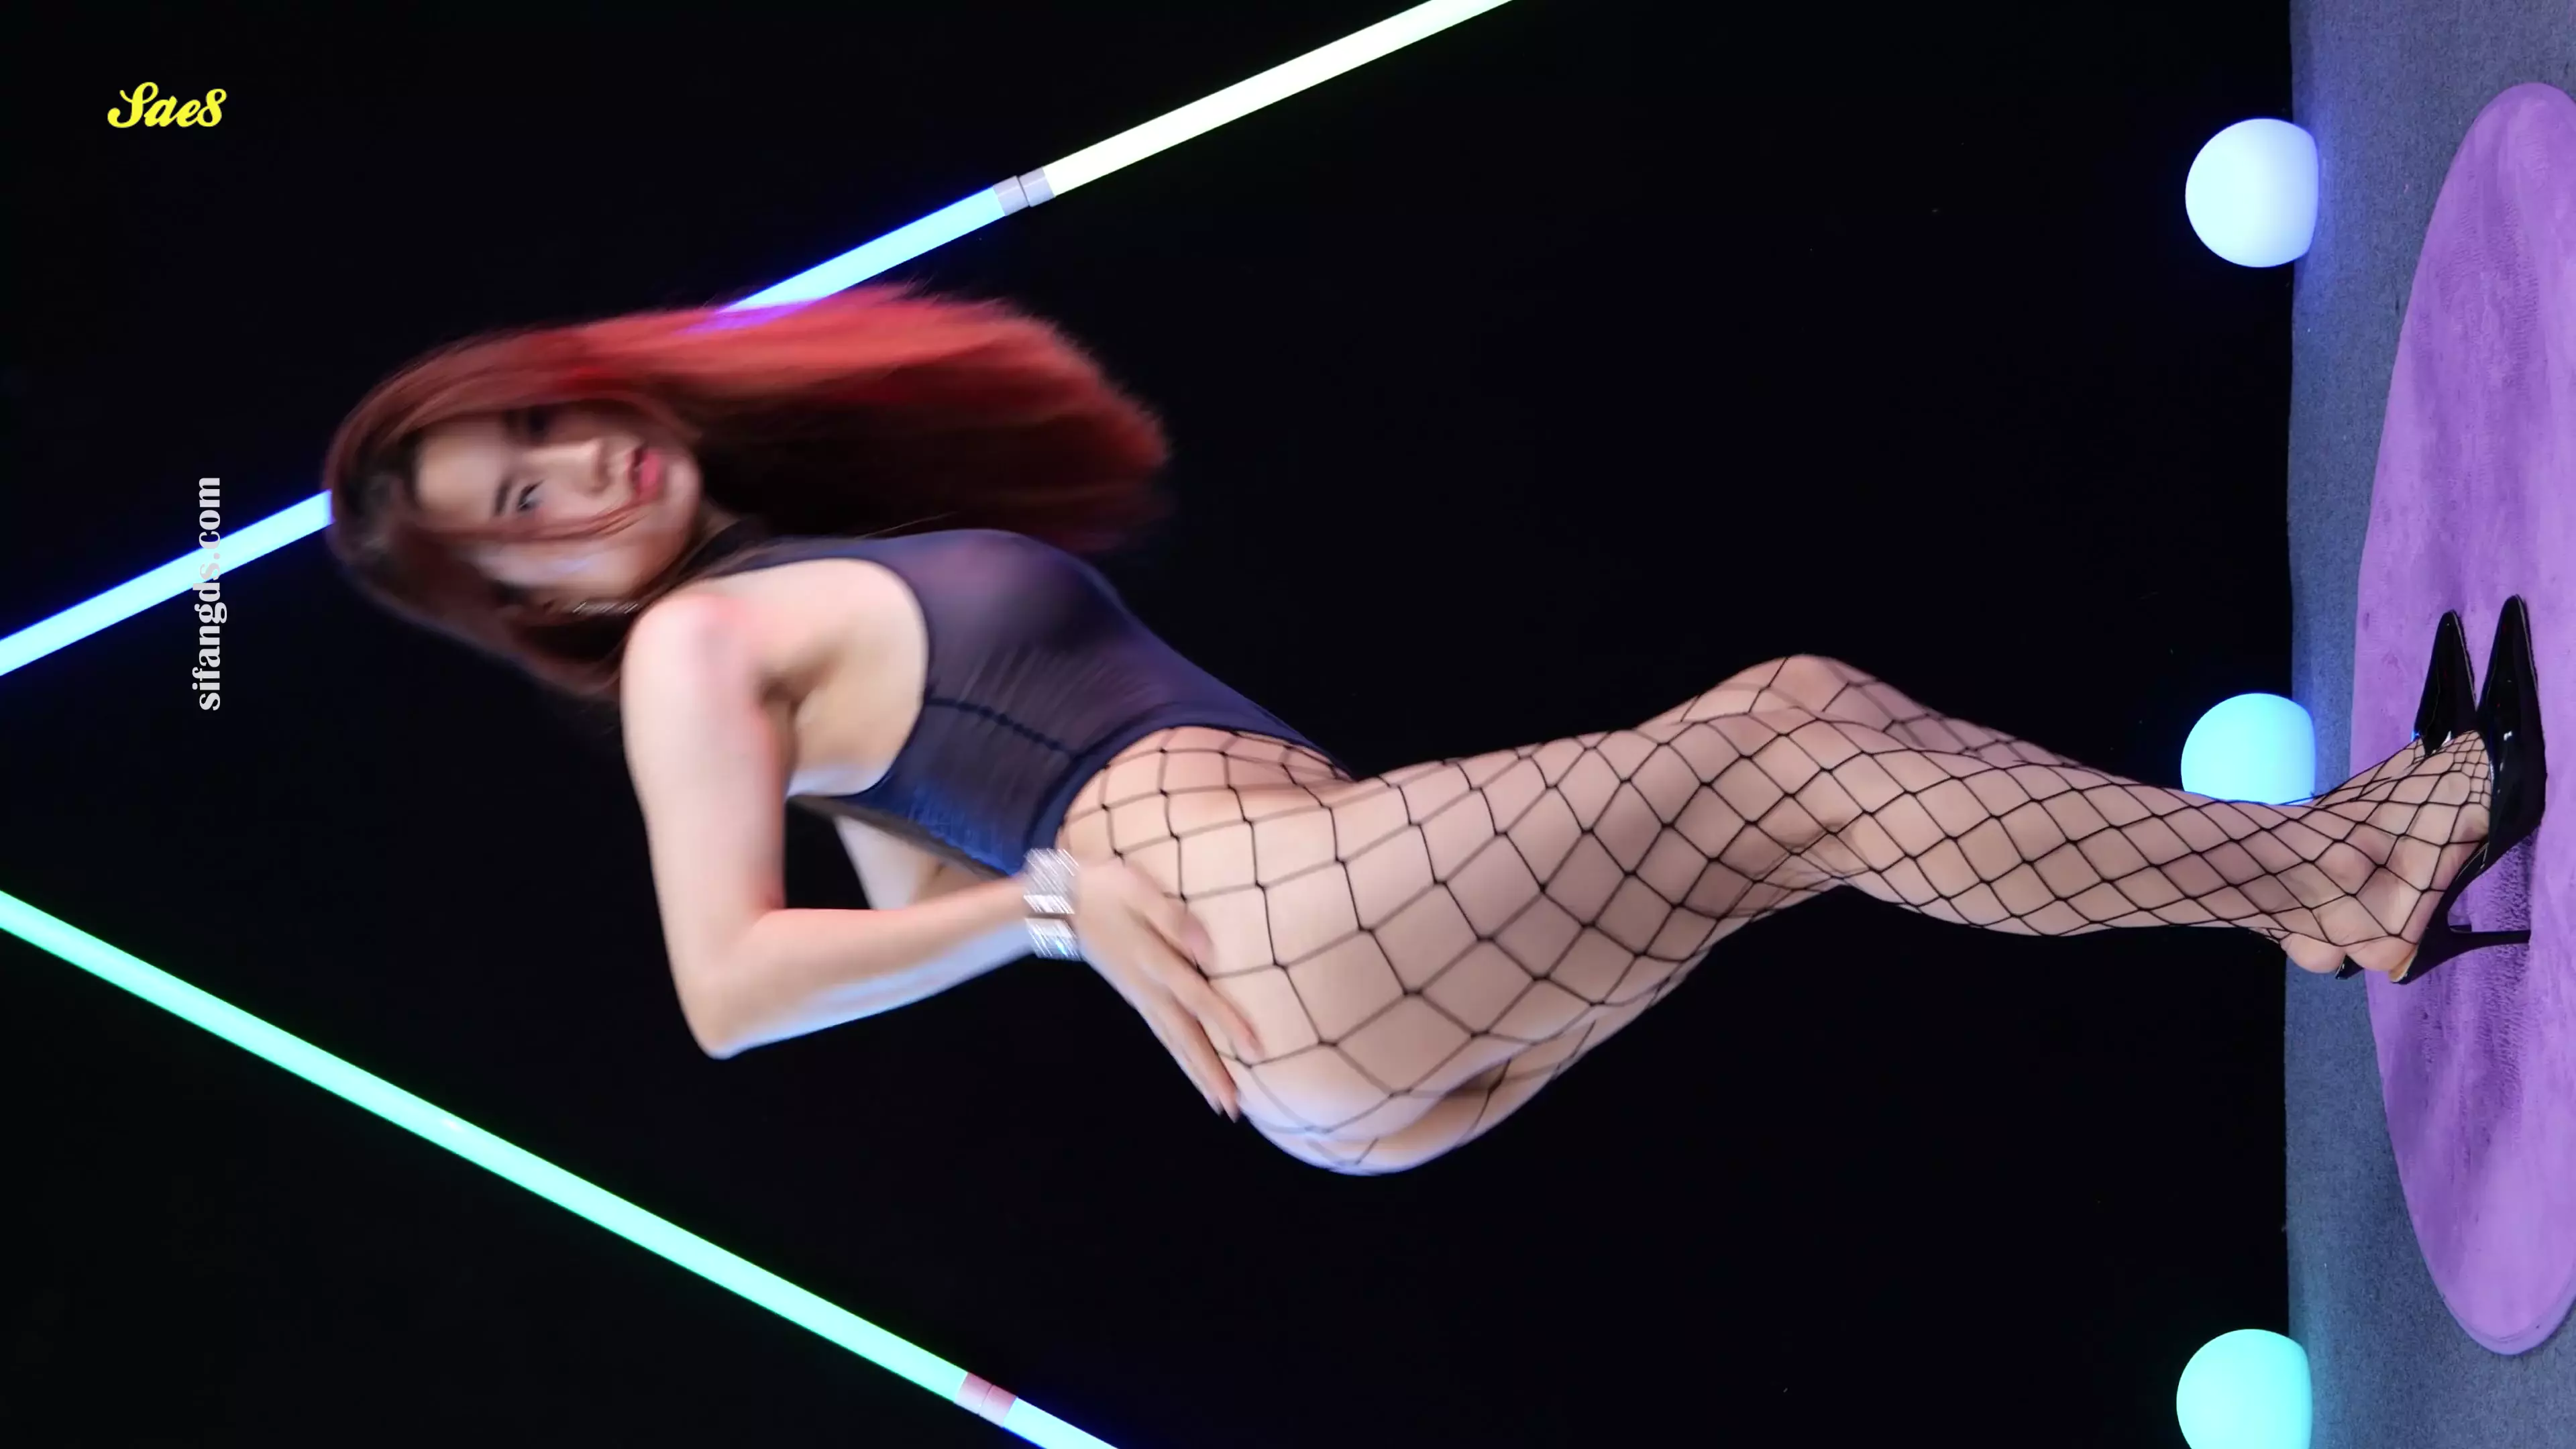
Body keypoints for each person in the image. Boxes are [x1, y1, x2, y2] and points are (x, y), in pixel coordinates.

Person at [322, 283, 2540, 1175]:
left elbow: (924, 874)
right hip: (1298, 930)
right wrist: (1048, 909)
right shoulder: (689, 656)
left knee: (1798, 782)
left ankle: (2328, 887)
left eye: (546, 427)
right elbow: (729, 993)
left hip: (1330, 1011)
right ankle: (2342, 868)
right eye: (522, 510)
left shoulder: (780, 611)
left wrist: (1026, 904)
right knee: (1788, 743)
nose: (579, 470)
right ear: (535, 607)